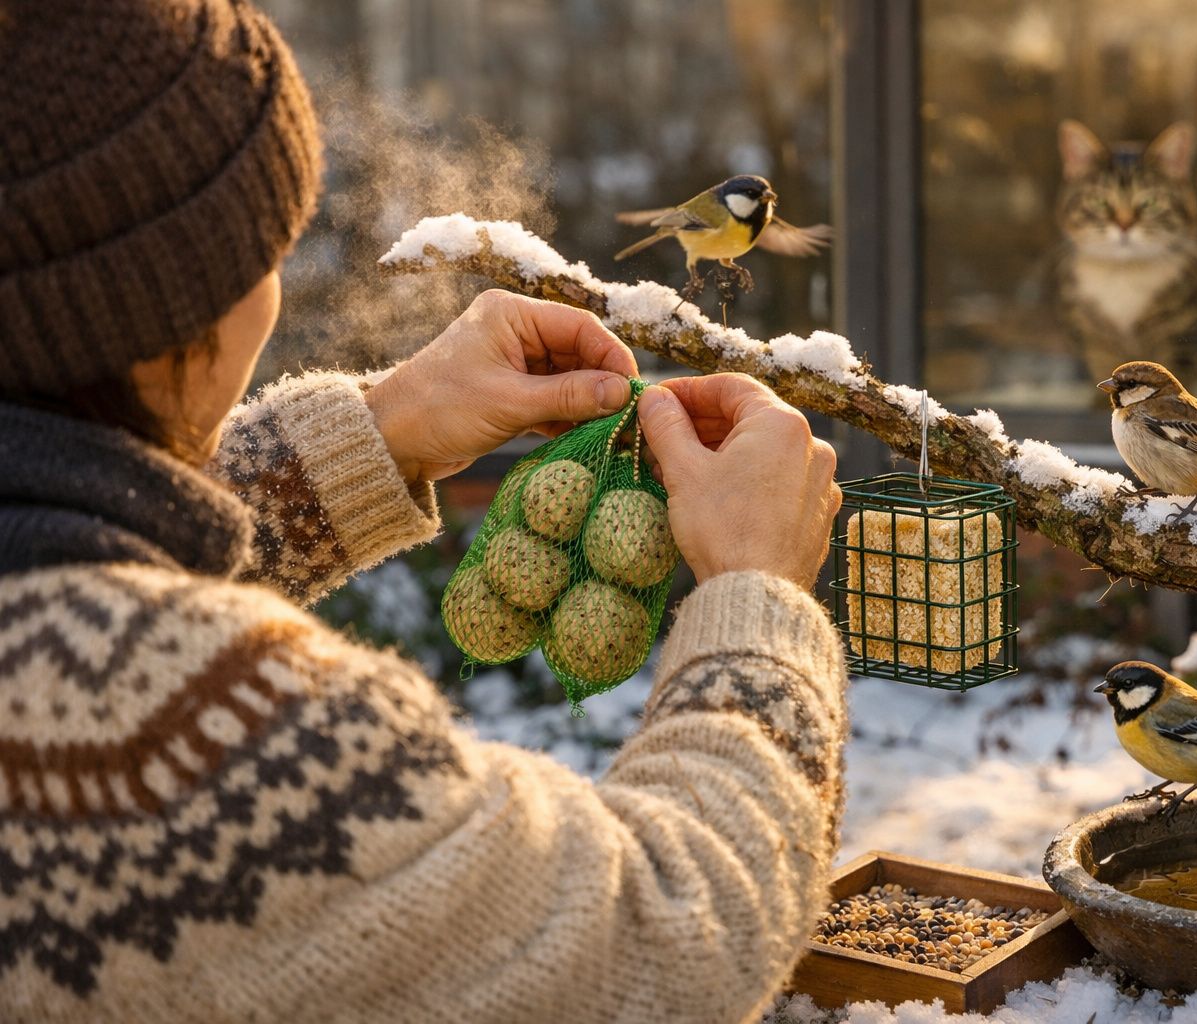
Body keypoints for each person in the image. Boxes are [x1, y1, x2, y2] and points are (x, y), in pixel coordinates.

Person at [0, 2, 847, 1021]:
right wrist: (758, 600)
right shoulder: (185, 747)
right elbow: (661, 944)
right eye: (266, 251)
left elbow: (79, 579)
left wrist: (382, 430)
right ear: (162, 313)